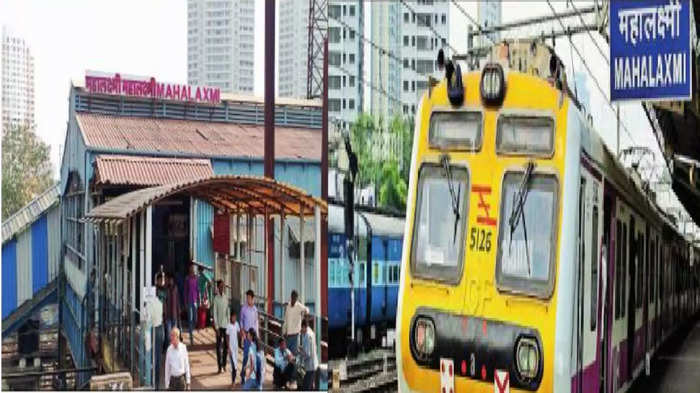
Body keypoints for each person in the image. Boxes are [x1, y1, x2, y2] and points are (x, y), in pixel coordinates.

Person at [146, 286, 164, 389]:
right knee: (158, 357)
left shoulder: (150, 304)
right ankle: (156, 383)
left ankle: (150, 380)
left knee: (150, 355)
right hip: (160, 329)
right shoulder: (160, 303)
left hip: (153, 329)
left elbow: (148, 319)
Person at [282, 290, 309, 356]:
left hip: (295, 335)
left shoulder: (299, 306)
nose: (294, 299)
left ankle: (295, 366)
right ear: (291, 297)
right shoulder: (288, 306)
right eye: (293, 297)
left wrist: (306, 312)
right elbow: (286, 320)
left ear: (297, 298)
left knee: (294, 355)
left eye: (295, 298)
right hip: (287, 335)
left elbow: (306, 309)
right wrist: (284, 331)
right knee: (287, 355)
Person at [239, 289, 259, 381]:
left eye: (249, 298)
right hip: (247, 335)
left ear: (253, 298)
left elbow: (256, 322)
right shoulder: (243, 308)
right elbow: (241, 320)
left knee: (253, 357)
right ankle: (243, 375)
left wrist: (257, 335)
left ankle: (253, 376)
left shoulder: (255, 309)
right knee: (246, 356)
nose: (248, 300)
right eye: (247, 298)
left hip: (254, 337)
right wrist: (242, 332)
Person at [212, 280, 229, 373]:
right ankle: (219, 366)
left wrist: (229, 324)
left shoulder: (226, 298)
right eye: (221, 286)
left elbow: (228, 311)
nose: (222, 288)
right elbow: (214, 313)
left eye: (223, 286)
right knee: (218, 347)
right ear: (218, 288)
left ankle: (224, 364)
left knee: (226, 346)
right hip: (219, 326)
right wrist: (216, 327)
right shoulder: (216, 299)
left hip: (226, 325)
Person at [299, 319, 318, 390]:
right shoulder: (311, 333)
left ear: (304, 326)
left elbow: (307, 353)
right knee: (309, 386)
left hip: (310, 366)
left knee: (306, 387)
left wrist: (300, 351)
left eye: (301, 328)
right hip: (311, 365)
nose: (300, 330)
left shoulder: (307, 335)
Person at [183, 264, 199, 346]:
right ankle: (191, 338)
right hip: (189, 301)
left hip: (195, 300)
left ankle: (191, 331)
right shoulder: (187, 279)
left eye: (193, 268)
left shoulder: (196, 279)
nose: (192, 270)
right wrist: (185, 302)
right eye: (191, 268)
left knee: (195, 319)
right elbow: (185, 291)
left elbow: (197, 290)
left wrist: (199, 300)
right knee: (190, 319)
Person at [165, 274, 181, 343]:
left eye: (172, 280)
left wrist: (179, 310)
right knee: (169, 333)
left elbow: (177, 300)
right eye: (169, 280)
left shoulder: (176, 288)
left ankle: (174, 347)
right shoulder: (166, 289)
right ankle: (169, 347)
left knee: (175, 332)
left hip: (174, 313)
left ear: (173, 281)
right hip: (168, 314)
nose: (170, 281)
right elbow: (164, 302)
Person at [226, 311, 241, 386]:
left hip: (236, 347)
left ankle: (234, 380)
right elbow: (227, 337)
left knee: (235, 364)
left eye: (235, 317)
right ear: (231, 317)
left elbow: (238, 333)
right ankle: (233, 381)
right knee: (233, 365)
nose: (234, 318)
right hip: (231, 348)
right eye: (233, 317)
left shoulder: (237, 324)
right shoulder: (228, 326)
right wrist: (228, 348)